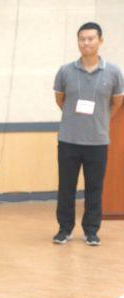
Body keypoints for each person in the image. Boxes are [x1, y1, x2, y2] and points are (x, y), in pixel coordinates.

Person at [53, 22, 124, 246]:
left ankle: (91, 231)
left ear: (100, 41)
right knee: (66, 188)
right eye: (82, 39)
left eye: (91, 38)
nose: (86, 43)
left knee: (95, 188)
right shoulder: (65, 71)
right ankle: (64, 229)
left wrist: (101, 119)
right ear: (78, 42)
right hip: (68, 140)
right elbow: (60, 100)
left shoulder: (114, 72)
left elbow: (117, 102)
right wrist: (75, 119)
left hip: (98, 141)